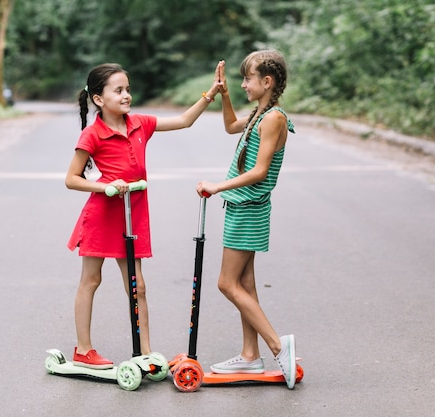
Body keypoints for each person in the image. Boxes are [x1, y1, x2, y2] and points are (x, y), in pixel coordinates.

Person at [65, 62, 223, 369]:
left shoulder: (140, 123)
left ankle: (145, 352)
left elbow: (184, 121)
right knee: (91, 280)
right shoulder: (92, 134)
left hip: (130, 217)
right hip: (102, 214)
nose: (127, 95)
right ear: (98, 99)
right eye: (119, 90)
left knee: (137, 286)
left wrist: (210, 94)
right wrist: (106, 187)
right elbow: (72, 178)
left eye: (128, 89)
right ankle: (83, 349)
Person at [196, 50, 298, 389]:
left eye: (247, 79)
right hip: (242, 208)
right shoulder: (259, 114)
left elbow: (259, 171)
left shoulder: (273, 119)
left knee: (226, 283)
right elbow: (229, 127)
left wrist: (217, 186)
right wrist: (223, 95)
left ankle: (277, 346)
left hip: (249, 208)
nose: (243, 84)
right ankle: (250, 356)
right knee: (246, 285)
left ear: (266, 82)